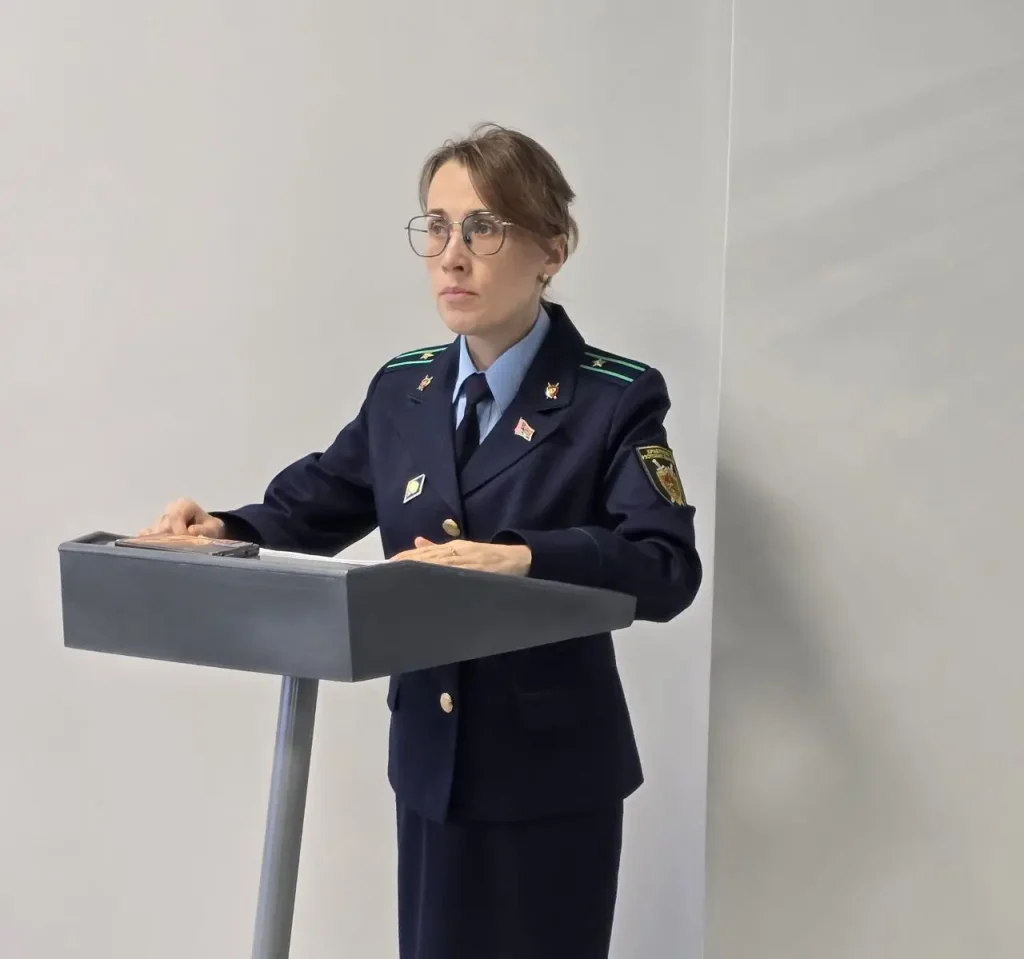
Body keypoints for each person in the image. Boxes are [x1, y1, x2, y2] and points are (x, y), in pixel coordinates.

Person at [141, 123, 702, 959]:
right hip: (432, 765)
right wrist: (219, 528)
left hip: (552, 775)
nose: (452, 256)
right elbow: (316, 502)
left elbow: (666, 566)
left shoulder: (612, 397)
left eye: (484, 227)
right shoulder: (406, 389)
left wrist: (526, 557)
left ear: (553, 248)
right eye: (437, 227)